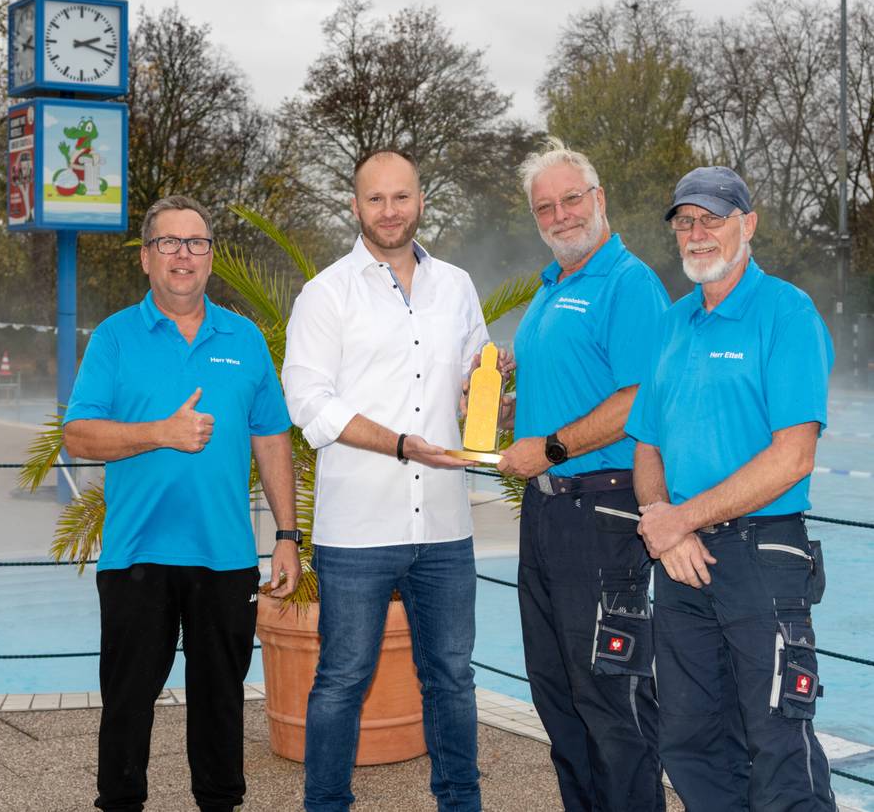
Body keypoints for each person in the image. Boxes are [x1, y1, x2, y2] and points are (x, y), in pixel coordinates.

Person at [63, 195, 301, 812]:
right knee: (126, 706)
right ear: (146, 258)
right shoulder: (114, 338)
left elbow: (271, 437)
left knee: (221, 706)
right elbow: (78, 434)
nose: (182, 255)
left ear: (211, 258)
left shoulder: (244, 339)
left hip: (225, 560)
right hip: (136, 557)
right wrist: (158, 433)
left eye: (196, 243)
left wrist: (286, 535)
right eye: (168, 243)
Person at [282, 150, 499, 812]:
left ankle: (460, 804)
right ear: (355, 206)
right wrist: (400, 443)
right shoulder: (325, 294)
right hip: (357, 530)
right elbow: (307, 401)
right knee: (342, 680)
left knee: (453, 680)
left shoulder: (457, 287)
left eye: (400, 197)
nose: (389, 211)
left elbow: (470, 383)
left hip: (442, 525)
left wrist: (488, 395)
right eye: (375, 199)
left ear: (421, 201)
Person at [627, 166, 836, 811]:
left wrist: (679, 519)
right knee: (688, 739)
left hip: (762, 559)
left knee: (778, 742)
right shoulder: (672, 322)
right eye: (685, 222)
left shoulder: (786, 313)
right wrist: (663, 520)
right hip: (682, 563)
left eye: (712, 218)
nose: (697, 233)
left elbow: (793, 457)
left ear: (748, 224)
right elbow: (647, 445)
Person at [496, 139, 669, 812]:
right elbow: (572, 390)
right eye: (547, 206)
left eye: (572, 199)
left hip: (603, 512)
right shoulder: (551, 287)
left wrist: (556, 447)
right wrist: (507, 400)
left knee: (611, 697)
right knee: (557, 693)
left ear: (599, 199)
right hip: (546, 515)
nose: (562, 214)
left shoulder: (628, 283)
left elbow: (638, 400)